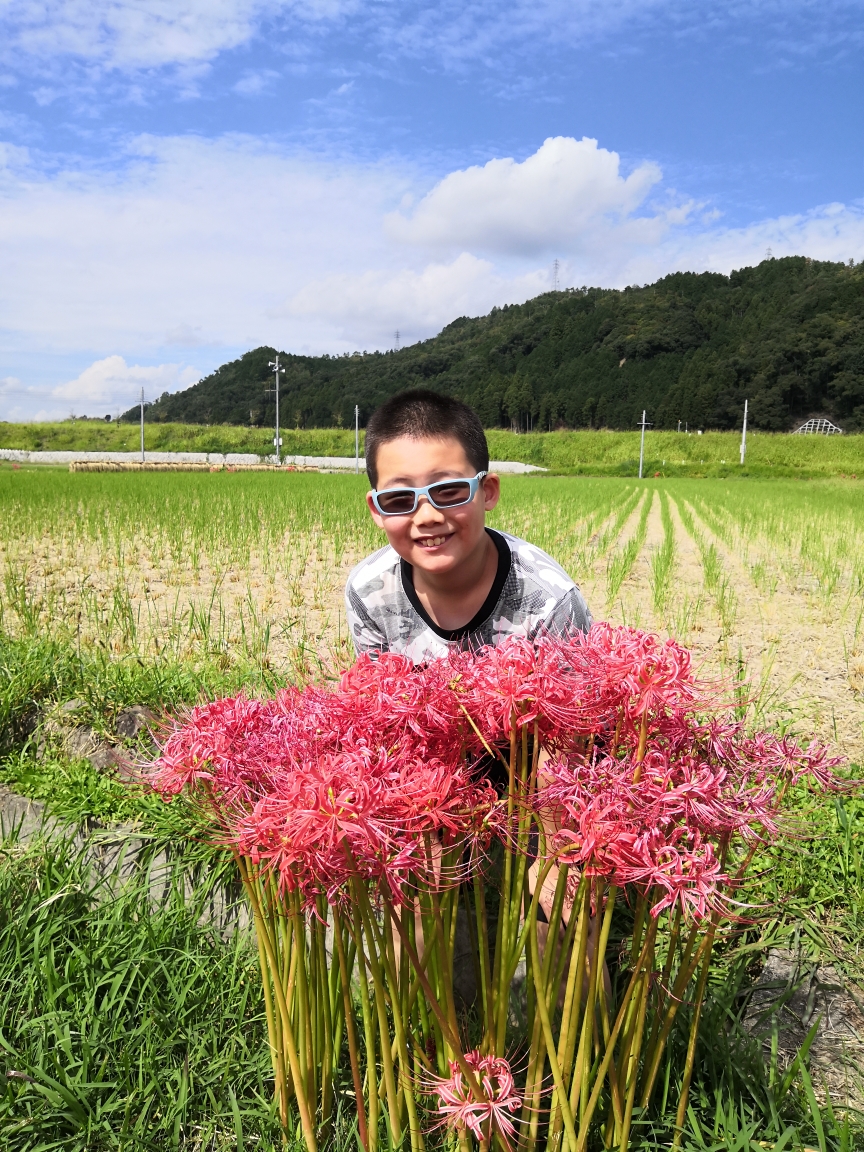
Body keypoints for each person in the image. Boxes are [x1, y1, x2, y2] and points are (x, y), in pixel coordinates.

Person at [345, 389, 592, 662]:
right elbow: (380, 697)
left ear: (487, 492)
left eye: (449, 491)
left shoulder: (551, 603)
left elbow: (575, 702)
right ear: (377, 511)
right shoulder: (369, 593)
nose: (427, 516)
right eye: (399, 499)